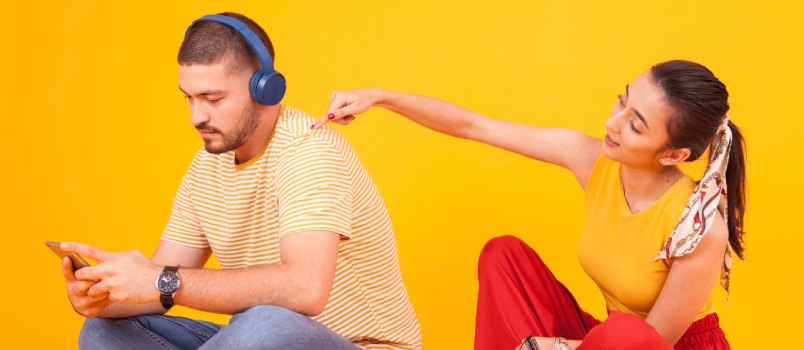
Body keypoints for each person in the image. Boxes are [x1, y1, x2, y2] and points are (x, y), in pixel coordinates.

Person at [313, 60, 745, 350]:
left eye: (635, 124)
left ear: (673, 155)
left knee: (623, 334)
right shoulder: (592, 160)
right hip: (601, 341)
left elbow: (649, 341)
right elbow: (474, 125)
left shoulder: (701, 227)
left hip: (652, 346)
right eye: (622, 100)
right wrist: (382, 97)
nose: (611, 123)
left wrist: (552, 347)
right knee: (505, 256)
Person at [60, 12, 421, 349]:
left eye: (212, 98)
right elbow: (158, 287)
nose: (196, 116)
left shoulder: (310, 151)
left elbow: (306, 290)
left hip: (357, 344)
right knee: (106, 332)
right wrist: (104, 296)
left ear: (265, 89)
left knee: (265, 323)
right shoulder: (205, 167)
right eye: (188, 98)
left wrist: (157, 279)